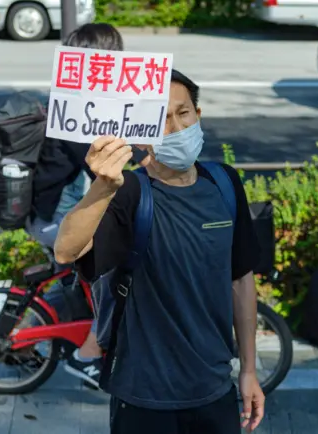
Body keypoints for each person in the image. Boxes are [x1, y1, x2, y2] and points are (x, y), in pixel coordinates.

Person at [54, 69, 265, 433]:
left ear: (199, 116)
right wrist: (102, 186)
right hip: (143, 398)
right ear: (141, 135)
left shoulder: (225, 183)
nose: (176, 127)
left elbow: (241, 279)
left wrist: (248, 369)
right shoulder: (129, 193)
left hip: (214, 389)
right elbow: (65, 251)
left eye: (183, 114)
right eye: (160, 119)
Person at [25, 22, 123, 387]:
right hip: (55, 222)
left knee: (83, 278)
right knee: (120, 272)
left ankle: (34, 325)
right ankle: (87, 356)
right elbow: (100, 167)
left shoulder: (80, 105)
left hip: (57, 216)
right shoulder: (75, 113)